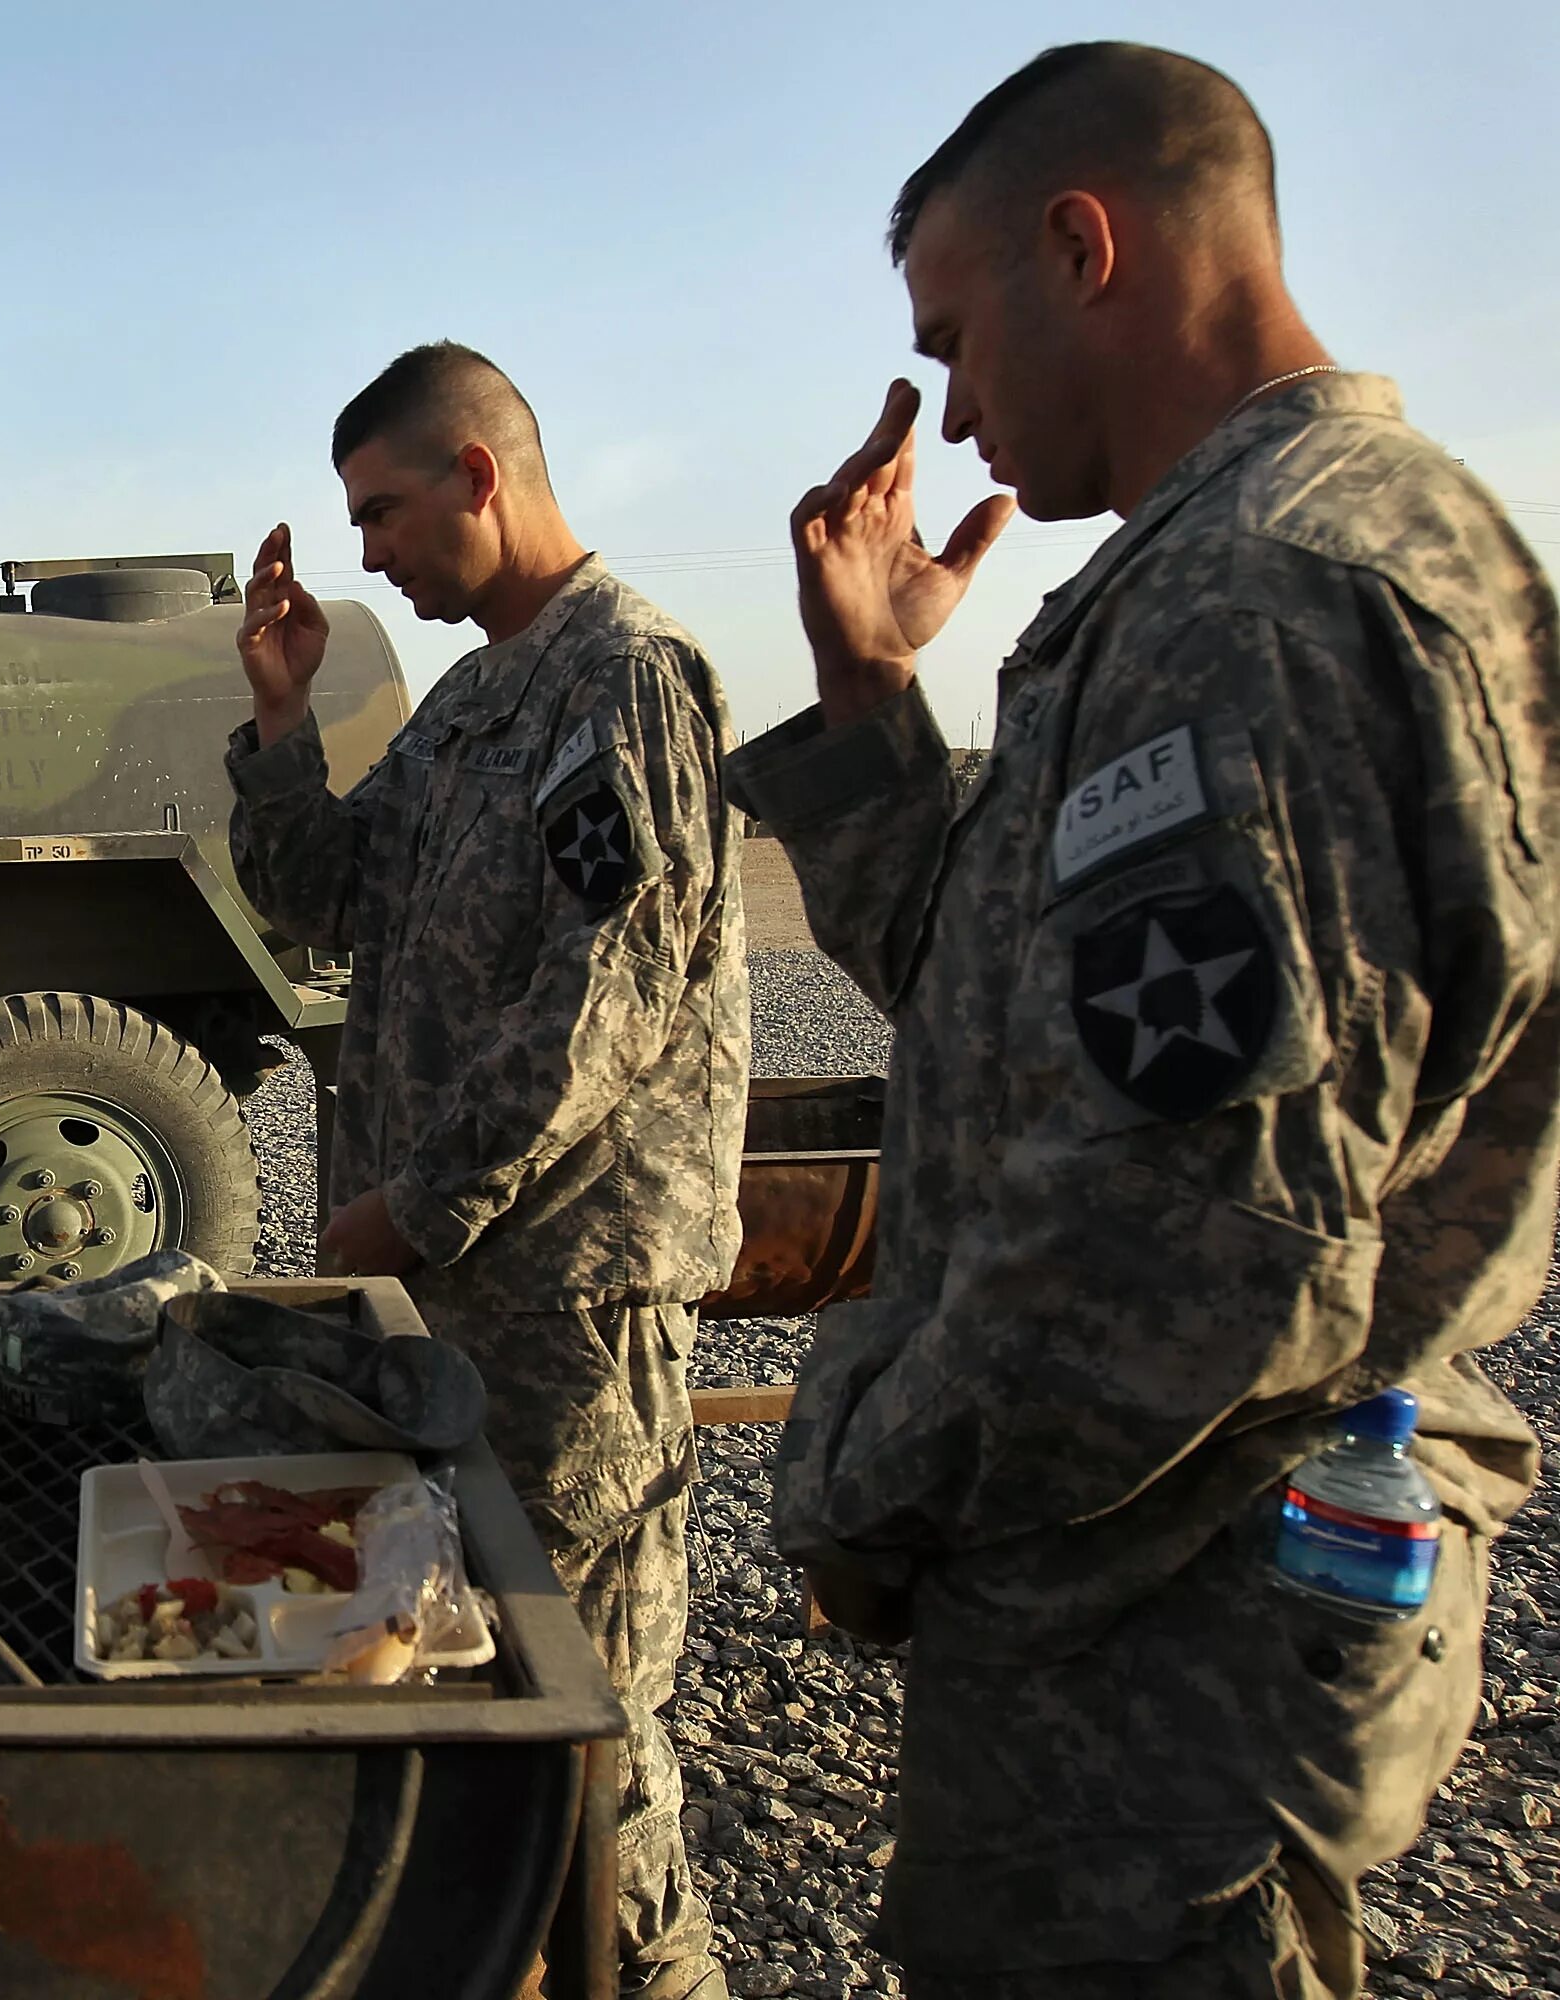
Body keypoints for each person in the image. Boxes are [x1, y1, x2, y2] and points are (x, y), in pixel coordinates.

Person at [730, 43, 1557, 1998]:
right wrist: (869, 709)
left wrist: (866, 1476)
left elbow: (1183, 1253)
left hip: (1161, 1621)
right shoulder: (1314, 549)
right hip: (1165, 1576)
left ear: (1083, 242)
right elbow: (1027, 1013)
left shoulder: (1256, 601)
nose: (946, 405)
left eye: (950, 334)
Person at [226, 342, 747, 2000]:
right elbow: (325, 896)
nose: (366, 551)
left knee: (584, 1701)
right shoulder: (466, 707)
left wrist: (414, 1206)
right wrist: (282, 722)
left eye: (382, 510)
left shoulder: (627, 678)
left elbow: (614, 991)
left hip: (559, 1299)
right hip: (448, 1292)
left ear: (478, 472)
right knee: (464, 1676)